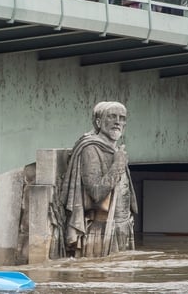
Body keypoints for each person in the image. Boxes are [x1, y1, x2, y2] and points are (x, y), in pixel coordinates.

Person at [55, 101, 137, 258]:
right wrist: (118, 165)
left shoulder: (116, 150)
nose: (117, 122)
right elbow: (96, 192)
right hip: (103, 230)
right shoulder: (91, 148)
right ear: (98, 122)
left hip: (123, 226)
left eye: (122, 118)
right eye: (112, 117)